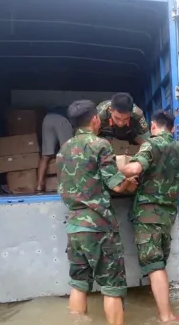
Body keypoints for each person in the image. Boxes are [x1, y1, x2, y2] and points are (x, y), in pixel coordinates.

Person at [56, 100, 137, 325]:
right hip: (98, 226)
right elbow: (116, 184)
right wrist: (129, 182)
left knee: (79, 284)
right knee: (112, 287)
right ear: (94, 119)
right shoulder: (100, 145)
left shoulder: (63, 150)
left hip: (74, 227)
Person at [119, 110, 179, 322]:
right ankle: (166, 310)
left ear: (153, 126)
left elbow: (135, 166)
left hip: (147, 215)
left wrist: (111, 167)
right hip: (167, 215)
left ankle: (165, 315)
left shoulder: (150, 144)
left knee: (155, 266)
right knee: (159, 262)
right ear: (172, 128)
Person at [36, 106, 73, 192]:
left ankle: (39, 185)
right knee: (68, 153)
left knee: (45, 156)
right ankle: (68, 185)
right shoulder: (75, 112)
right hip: (62, 119)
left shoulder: (61, 109)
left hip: (47, 119)